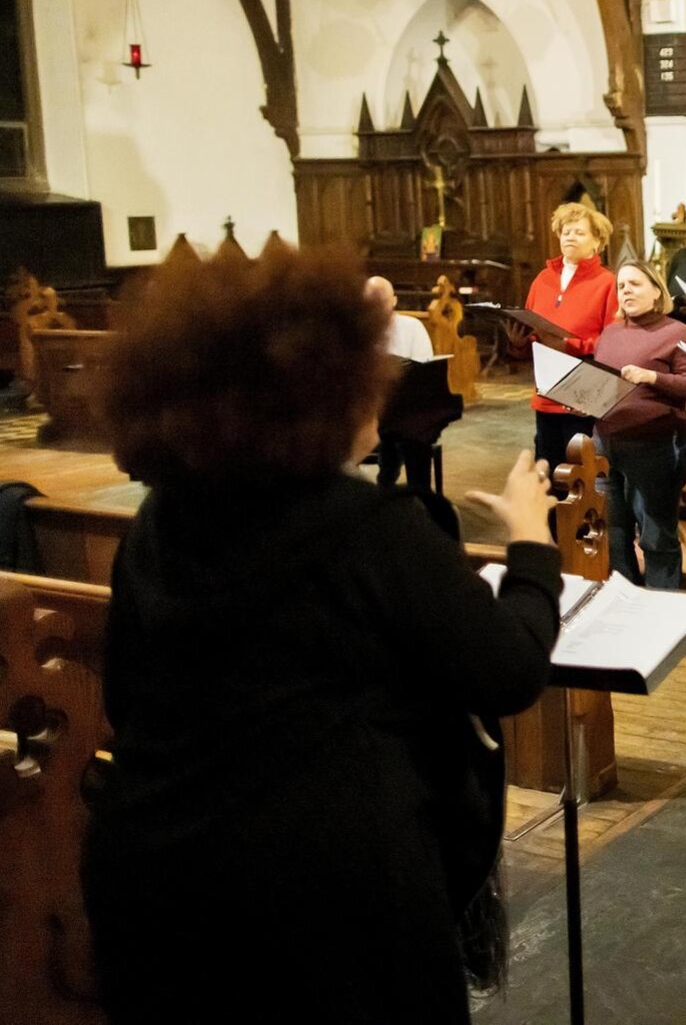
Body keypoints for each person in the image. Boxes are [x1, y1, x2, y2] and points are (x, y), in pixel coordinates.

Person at [83, 243, 561, 1023]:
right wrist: (533, 546)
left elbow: (127, 697)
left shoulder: (160, 521)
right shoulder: (368, 527)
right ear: (312, 396)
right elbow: (507, 670)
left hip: (158, 871)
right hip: (328, 892)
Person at [595, 261, 686, 590]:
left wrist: (651, 377)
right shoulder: (611, 332)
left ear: (657, 291)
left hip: (656, 444)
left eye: (635, 284)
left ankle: (662, 603)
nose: (626, 290)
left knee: (656, 534)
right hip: (606, 441)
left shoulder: (676, 332)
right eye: (621, 286)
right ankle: (625, 597)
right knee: (613, 531)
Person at [519, 200, 622, 473]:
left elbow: (613, 341)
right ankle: (548, 518)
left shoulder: (606, 282)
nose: (570, 237)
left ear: (597, 241)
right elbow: (530, 326)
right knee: (547, 468)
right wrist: (518, 340)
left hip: (584, 389)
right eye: (566, 232)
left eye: (579, 232)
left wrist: (570, 345)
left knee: (580, 470)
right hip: (546, 388)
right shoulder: (542, 279)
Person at [364, 275, 436, 489]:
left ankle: (418, 491)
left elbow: (425, 370)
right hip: (370, 409)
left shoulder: (411, 327)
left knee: (412, 431)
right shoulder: (358, 331)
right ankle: (384, 486)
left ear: (394, 301)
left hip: (406, 406)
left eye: (382, 301)